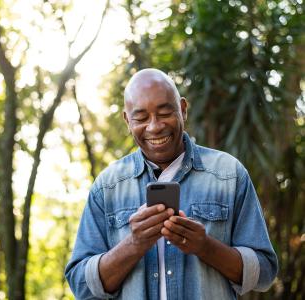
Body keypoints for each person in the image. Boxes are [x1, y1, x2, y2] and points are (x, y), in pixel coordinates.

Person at [65, 68, 278, 299]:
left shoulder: (228, 174)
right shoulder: (107, 186)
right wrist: (134, 244)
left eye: (165, 113)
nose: (154, 126)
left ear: (183, 110)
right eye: (141, 118)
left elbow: (265, 273)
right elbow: (81, 285)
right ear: (127, 120)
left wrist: (205, 247)